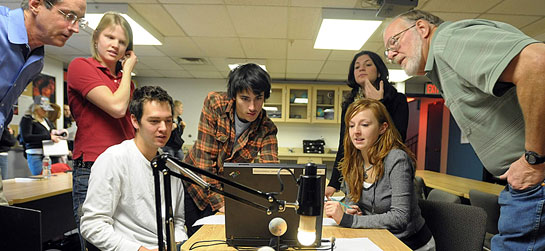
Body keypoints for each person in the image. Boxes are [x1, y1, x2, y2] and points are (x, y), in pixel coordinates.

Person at [383, 9, 545, 250]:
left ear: (422, 28)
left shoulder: (448, 41)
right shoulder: (440, 63)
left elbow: (537, 63)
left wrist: (534, 159)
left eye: (394, 41)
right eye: (387, 50)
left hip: (535, 183)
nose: (391, 53)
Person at [0, 0, 86, 205]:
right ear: (36, 4)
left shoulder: (36, 60)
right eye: (69, 16)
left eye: (79, 21)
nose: (74, 28)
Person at [80, 86, 187, 251]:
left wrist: (177, 245)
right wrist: (139, 250)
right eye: (154, 121)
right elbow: (92, 225)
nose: (164, 128)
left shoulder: (171, 167)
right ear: (135, 121)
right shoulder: (113, 160)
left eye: (168, 120)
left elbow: (178, 221)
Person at [324, 99, 435, 251]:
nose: (356, 131)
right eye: (351, 125)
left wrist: (348, 219)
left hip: (409, 244)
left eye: (364, 125)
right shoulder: (353, 161)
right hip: (376, 237)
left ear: (383, 128)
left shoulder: (397, 160)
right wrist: (351, 208)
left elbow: (399, 218)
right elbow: (352, 200)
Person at [67, 11, 137, 249]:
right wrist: (128, 70)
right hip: (92, 168)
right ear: (96, 38)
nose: (115, 45)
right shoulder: (81, 67)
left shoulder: (125, 83)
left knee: (124, 241)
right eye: (110, 37)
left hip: (125, 168)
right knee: (97, 242)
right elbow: (117, 108)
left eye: (122, 42)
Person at [184, 63, 279, 236]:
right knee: (198, 238)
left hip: (226, 190)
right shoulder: (215, 104)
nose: (252, 107)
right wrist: (221, 204)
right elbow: (204, 163)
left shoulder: (267, 128)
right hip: (196, 183)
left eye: (258, 98)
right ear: (234, 96)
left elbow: (270, 172)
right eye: (245, 98)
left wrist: (270, 203)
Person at [326, 51, 409, 198]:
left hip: (385, 173)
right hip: (356, 173)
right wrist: (333, 183)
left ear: (379, 72)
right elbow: (344, 145)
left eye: (368, 64)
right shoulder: (349, 104)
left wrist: (378, 104)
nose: (361, 69)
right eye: (357, 67)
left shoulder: (398, 100)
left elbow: (397, 139)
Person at [19, 96, 63, 175]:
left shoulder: (46, 120)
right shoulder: (27, 119)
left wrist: (56, 133)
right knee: (40, 178)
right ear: (36, 107)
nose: (45, 111)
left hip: (49, 153)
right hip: (35, 154)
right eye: (43, 108)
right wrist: (49, 137)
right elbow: (26, 137)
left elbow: (49, 133)